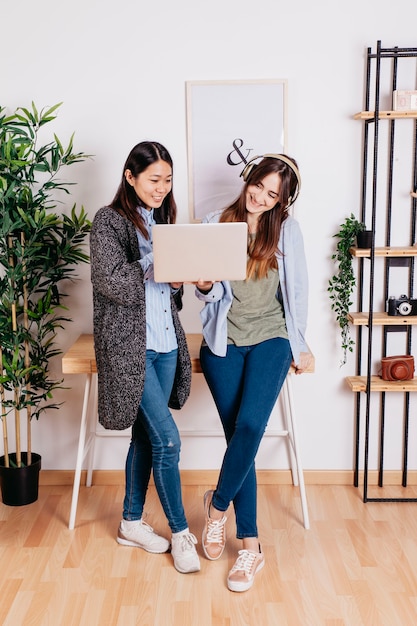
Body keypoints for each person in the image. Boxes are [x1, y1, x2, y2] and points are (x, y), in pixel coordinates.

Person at [194, 154, 311, 592]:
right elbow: (209, 296)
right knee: (239, 441)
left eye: (272, 193)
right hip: (224, 341)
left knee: (250, 426)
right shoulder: (214, 223)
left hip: (272, 338)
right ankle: (250, 545)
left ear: (282, 200)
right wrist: (204, 284)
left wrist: (300, 346)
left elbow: (296, 290)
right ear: (248, 179)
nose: (260, 197)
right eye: (258, 186)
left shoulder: (287, 231)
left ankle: (220, 512)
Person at [90, 141, 200, 574]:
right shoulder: (108, 222)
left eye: (168, 180)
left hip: (167, 345)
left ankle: (130, 523)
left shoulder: (166, 221)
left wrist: (183, 277)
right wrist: (161, 260)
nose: (161, 187)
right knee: (168, 440)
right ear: (130, 177)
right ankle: (180, 533)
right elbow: (112, 283)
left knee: (145, 437)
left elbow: (171, 294)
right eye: (154, 179)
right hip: (129, 349)